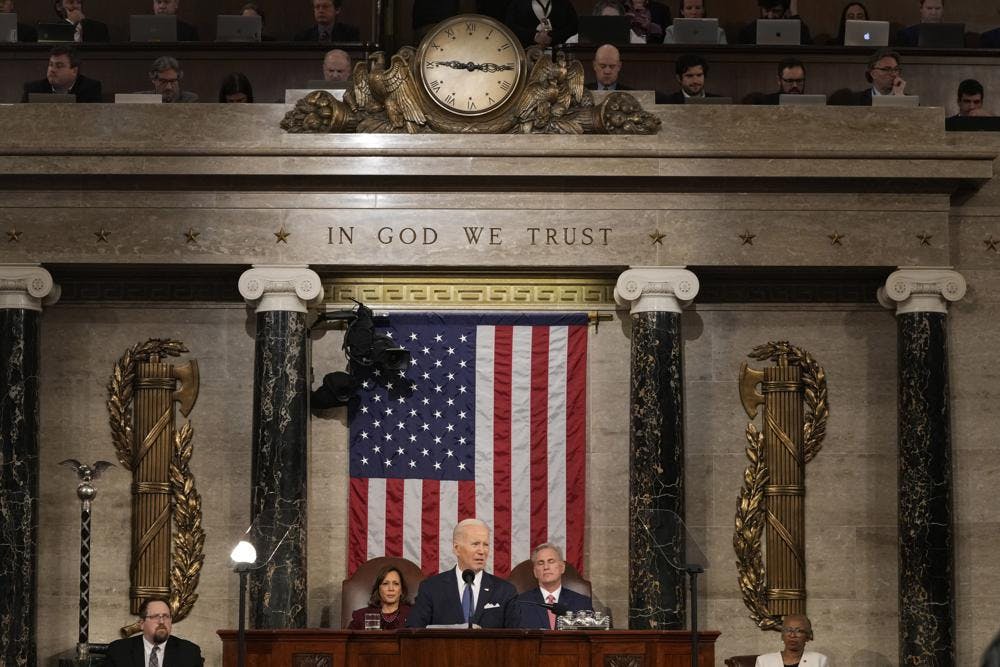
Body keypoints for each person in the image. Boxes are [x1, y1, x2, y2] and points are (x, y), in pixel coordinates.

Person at [406, 518, 520, 628]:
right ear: (456, 549)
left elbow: (517, 638)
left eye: (485, 545)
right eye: (475, 544)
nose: (482, 551)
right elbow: (413, 631)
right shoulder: (431, 588)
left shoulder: (505, 591)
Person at [105, 597, 203, 667]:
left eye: (166, 616)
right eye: (155, 616)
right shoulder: (119, 651)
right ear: (142, 623)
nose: (162, 621)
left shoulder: (189, 652)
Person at [515, 543, 593, 629]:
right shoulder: (520, 603)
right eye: (541, 563)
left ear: (562, 567)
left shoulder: (582, 603)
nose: (546, 567)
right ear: (535, 572)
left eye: (551, 561)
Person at [21, 45, 102, 103]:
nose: (52, 70)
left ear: (74, 71)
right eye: (51, 65)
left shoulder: (90, 88)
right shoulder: (33, 89)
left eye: (59, 66)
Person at [347, 565, 413, 630]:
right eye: (385, 583)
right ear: (378, 589)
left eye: (396, 584)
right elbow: (346, 639)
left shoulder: (413, 615)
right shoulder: (361, 616)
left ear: (401, 590)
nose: (391, 589)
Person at [831, 48, 905, 105]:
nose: (894, 74)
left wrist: (899, 97)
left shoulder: (910, 101)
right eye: (886, 69)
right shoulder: (854, 100)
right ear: (873, 74)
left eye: (896, 69)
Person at [754, 614, 827, 667]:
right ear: (782, 635)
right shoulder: (764, 661)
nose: (792, 635)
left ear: (808, 637)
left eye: (799, 631)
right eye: (788, 630)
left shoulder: (819, 660)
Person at [505, 0, 579, 49]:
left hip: (558, 56)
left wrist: (553, 37)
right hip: (525, 55)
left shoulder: (564, 3)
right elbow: (509, 26)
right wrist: (534, 36)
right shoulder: (517, 3)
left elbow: (574, 26)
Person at [565, 1, 645, 45]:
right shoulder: (584, 35)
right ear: (596, 20)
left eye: (615, 19)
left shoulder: (628, 34)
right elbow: (570, 43)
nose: (611, 23)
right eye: (607, 17)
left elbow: (641, 45)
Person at [737, 0, 813, 45]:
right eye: (766, 10)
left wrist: (794, 13)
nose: (770, 16)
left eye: (776, 11)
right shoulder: (748, 31)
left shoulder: (794, 28)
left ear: (784, 11)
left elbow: (808, 48)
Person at [294, 0, 360, 42]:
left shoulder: (349, 34)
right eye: (317, 7)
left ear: (337, 10)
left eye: (325, 7)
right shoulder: (303, 37)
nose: (320, 11)